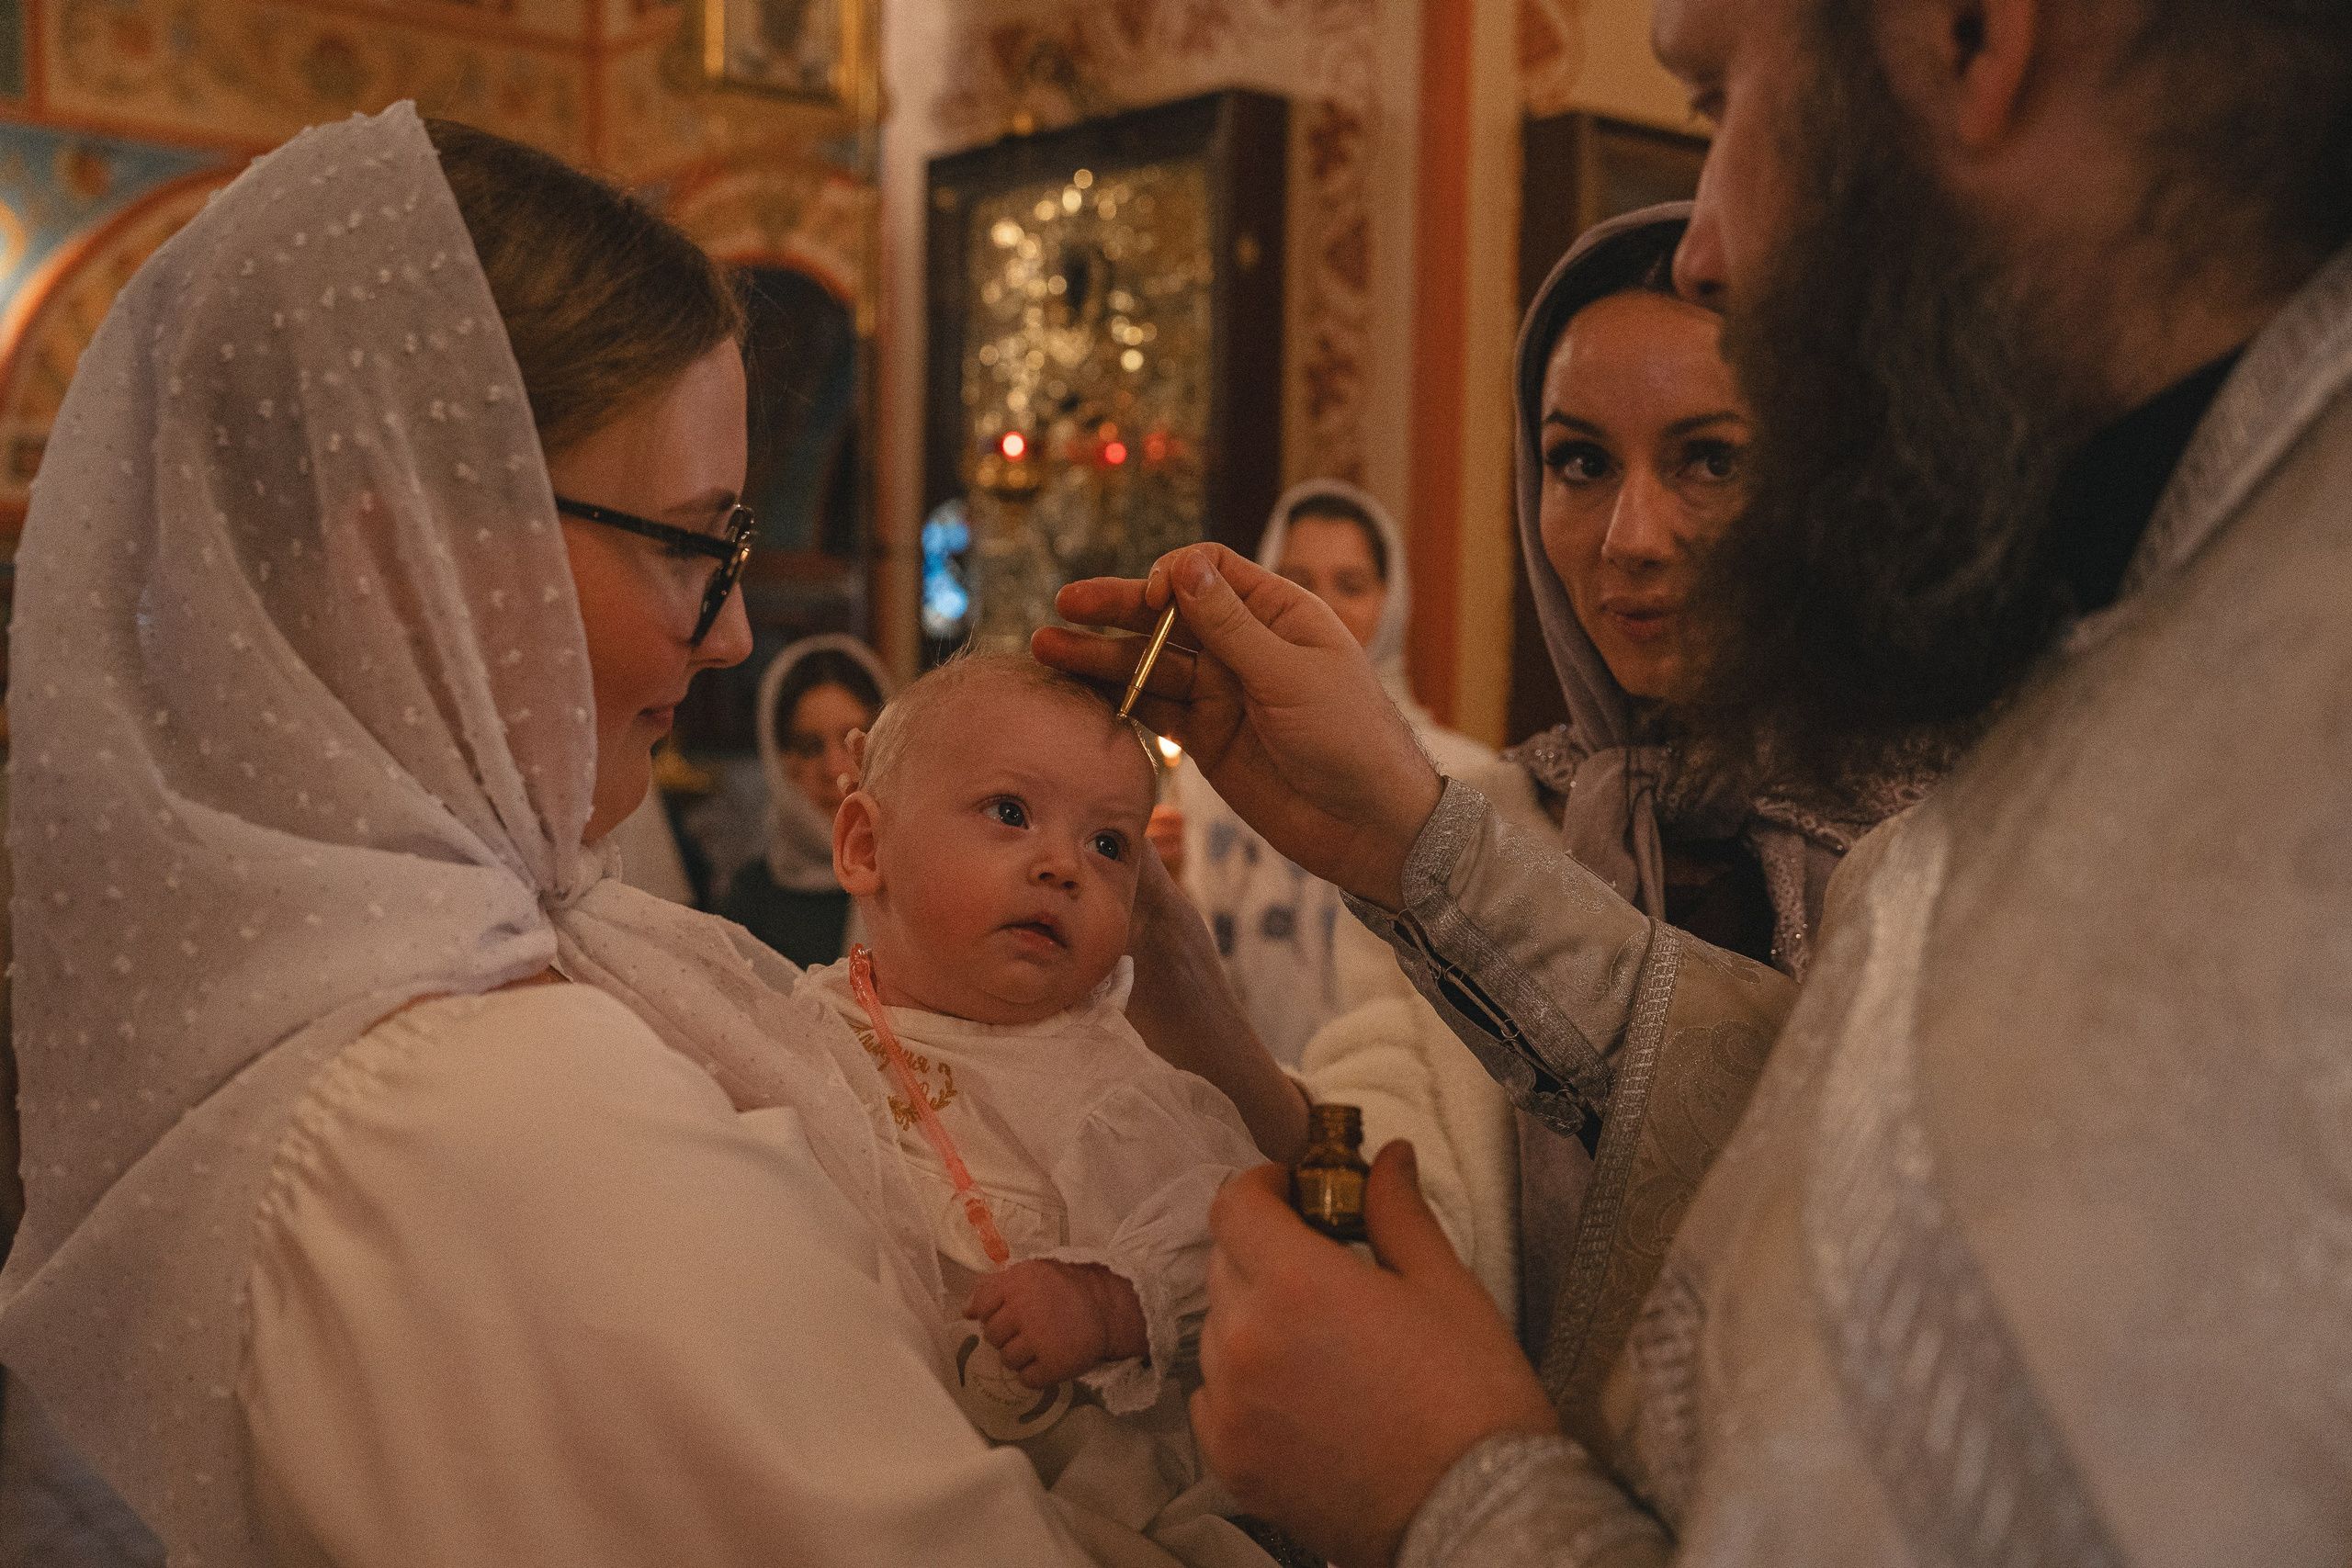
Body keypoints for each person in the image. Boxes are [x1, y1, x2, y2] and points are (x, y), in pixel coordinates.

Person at [1035, 1, 2352, 1562]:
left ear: (1971, 36)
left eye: (1723, 98)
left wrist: (1451, 1485)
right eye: (1577, 461)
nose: (1711, 244)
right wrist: (1417, 843)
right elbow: (1845, 1130)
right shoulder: (2179, 621)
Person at [0, 105, 1170, 1567]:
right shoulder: (506, 1111)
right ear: (400, 562)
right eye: (695, 544)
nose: (736, 629)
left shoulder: (351, 1012)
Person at [1498, 203, 1939, 1359]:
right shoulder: (1511, 823)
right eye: (1579, 462)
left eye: (1710, 460)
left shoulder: (1956, 844)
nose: (1631, 538)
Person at [802, 649, 1272, 1565]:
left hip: (1085, 1503)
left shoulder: (1116, 1085)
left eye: (1109, 846)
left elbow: (1237, 1231)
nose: (1062, 865)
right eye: (1010, 814)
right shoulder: (797, 1031)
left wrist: (1106, 1305)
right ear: (865, 848)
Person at [1163, 481, 1493, 1068]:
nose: (1321, 607)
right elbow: (1187, 968)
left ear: (1391, 602)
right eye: (1296, 582)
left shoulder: (1464, 777)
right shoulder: (1211, 768)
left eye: (1351, 585)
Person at [720, 633, 892, 964]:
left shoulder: (917, 878)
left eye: (853, 741)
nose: (833, 770)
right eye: (809, 747)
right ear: (778, 758)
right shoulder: (750, 899)